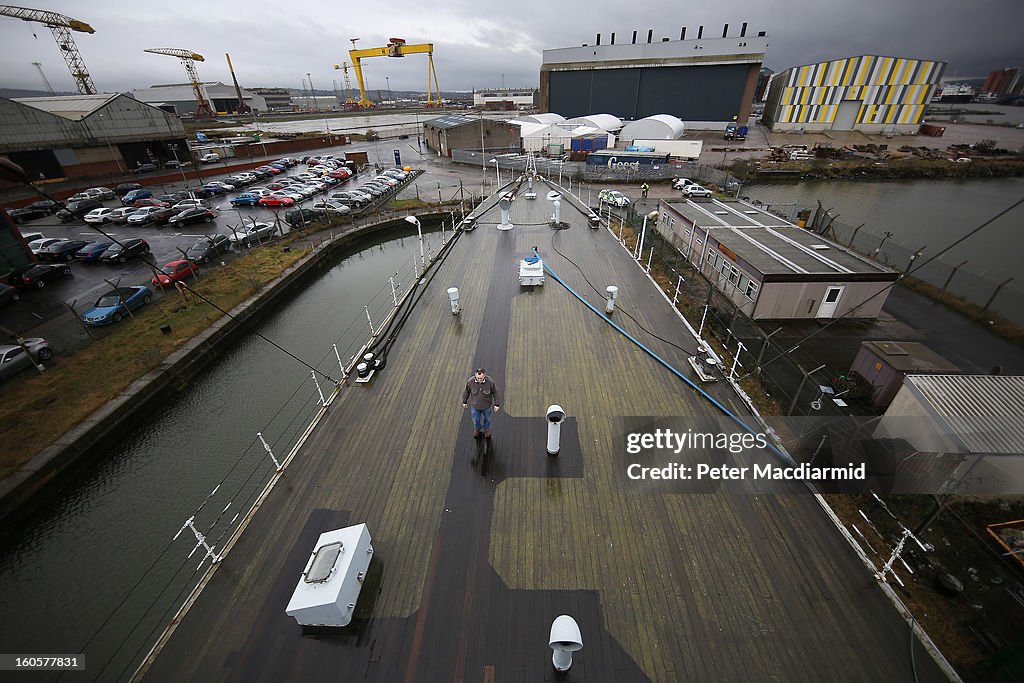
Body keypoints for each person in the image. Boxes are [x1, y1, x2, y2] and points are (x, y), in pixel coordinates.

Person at [462, 368, 501, 438]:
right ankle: (477, 429)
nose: (479, 380)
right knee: (475, 419)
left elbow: (495, 392)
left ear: (484, 376)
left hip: (487, 407)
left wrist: (497, 404)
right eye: (478, 378)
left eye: (481, 378)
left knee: (487, 419)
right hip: (475, 407)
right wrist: (464, 401)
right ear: (475, 375)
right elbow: (466, 391)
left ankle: (486, 430)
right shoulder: (470, 382)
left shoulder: (490, 382)